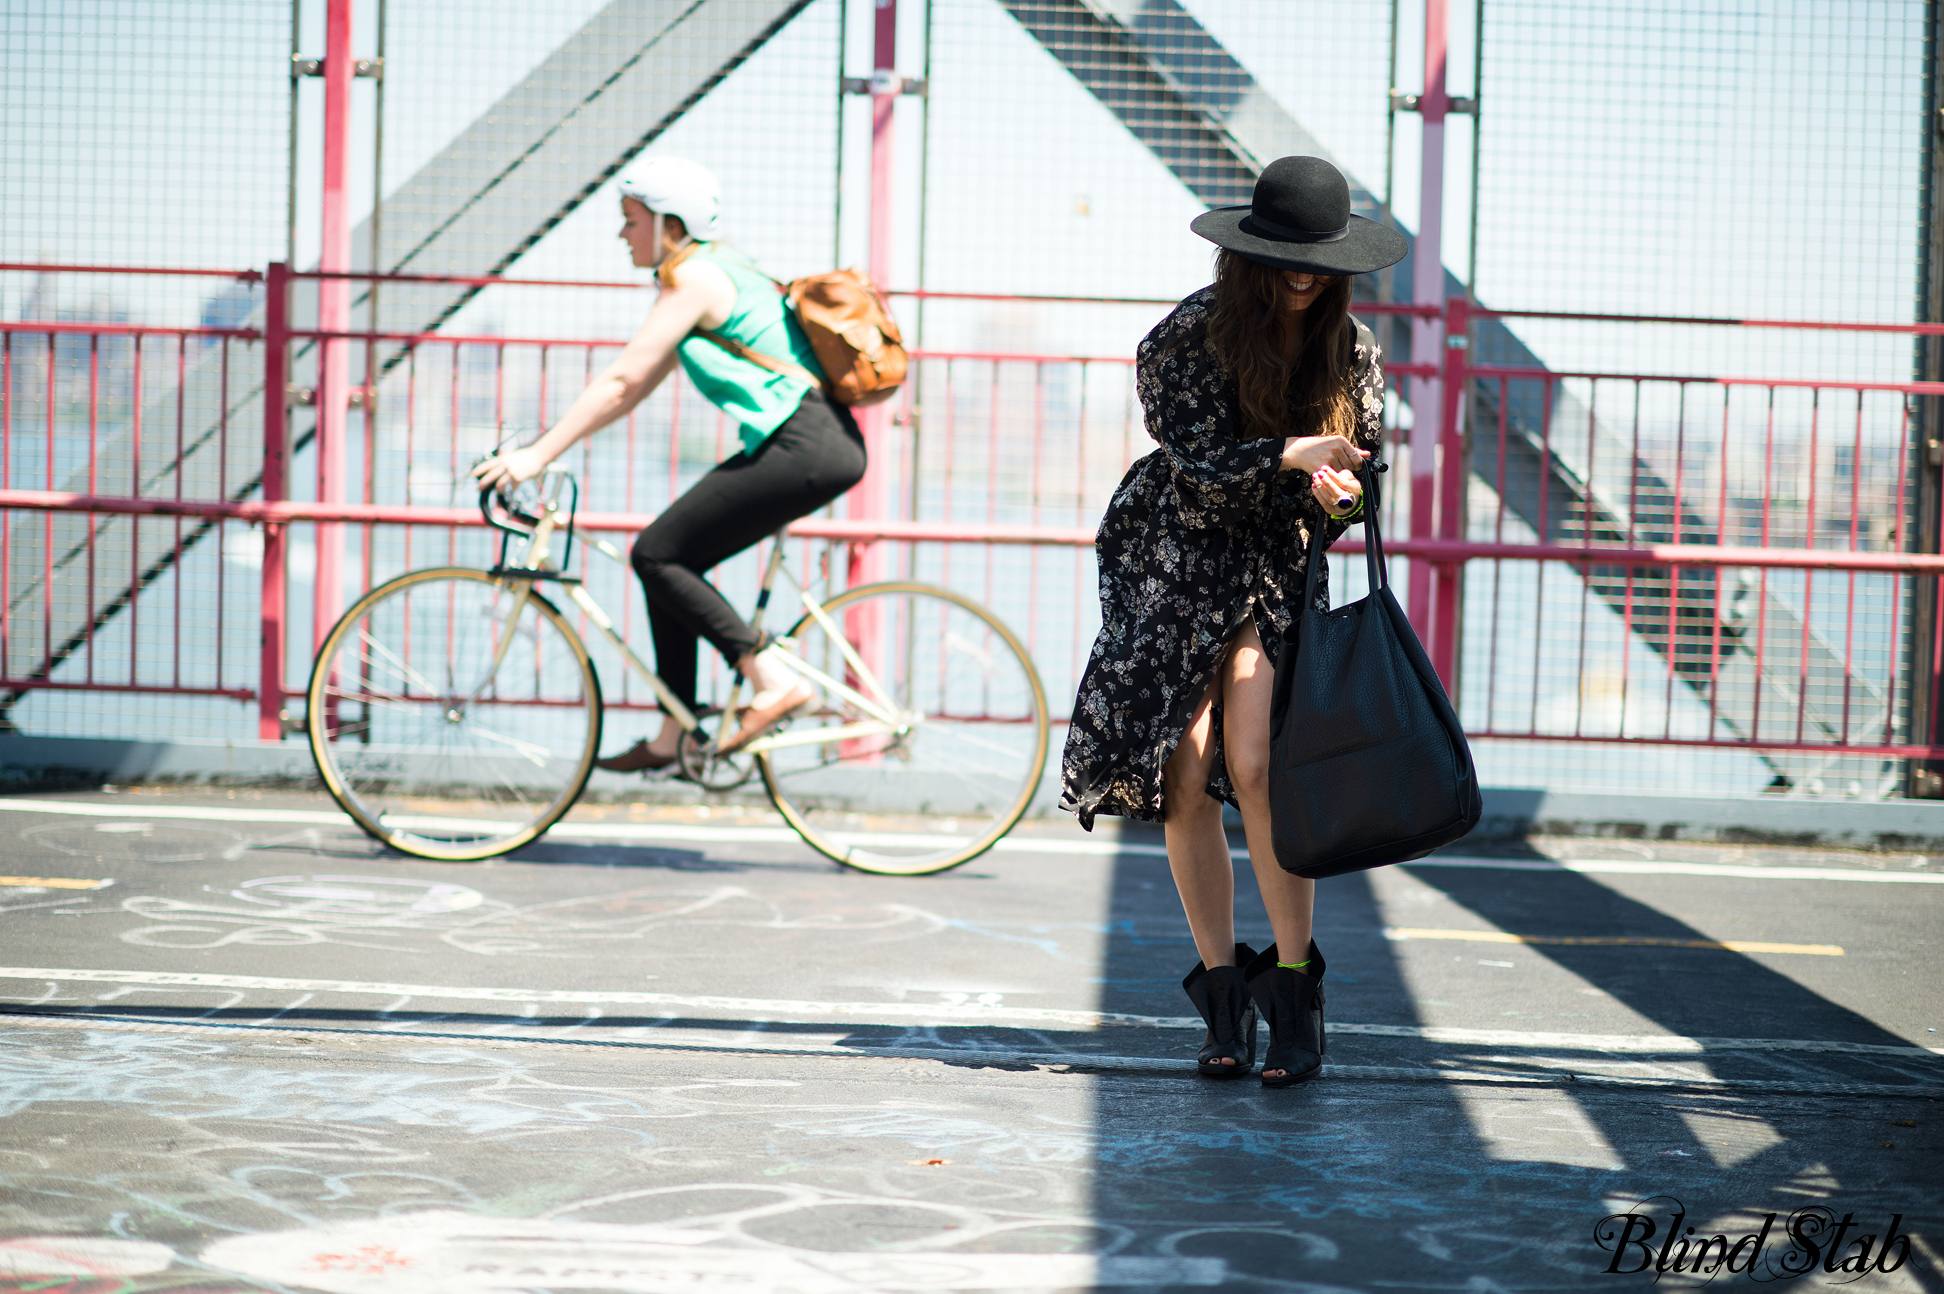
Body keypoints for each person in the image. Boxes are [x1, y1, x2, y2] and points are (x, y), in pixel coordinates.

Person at [1060, 156, 1407, 1087]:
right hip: (1175, 561)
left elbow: (1357, 490)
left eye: (1318, 262)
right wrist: (1295, 452)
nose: (1302, 275)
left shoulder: (1355, 353)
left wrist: (1339, 492)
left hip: (1270, 567)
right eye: (1284, 257)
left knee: (1256, 766)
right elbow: (1197, 463)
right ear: (1249, 253)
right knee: (1182, 772)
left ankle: (1294, 993)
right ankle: (1222, 996)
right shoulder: (1185, 336)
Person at [473, 157, 866, 768]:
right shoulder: (710, 273)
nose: (621, 235)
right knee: (668, 563)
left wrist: (535, 456)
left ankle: (775, 683)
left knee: (655, 553)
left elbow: (623, 378)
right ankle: (673, 735)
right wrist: (554, 445)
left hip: (804, 442)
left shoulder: (698, 278)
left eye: (630, 221)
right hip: (807, 441)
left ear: (667, 224)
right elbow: (633, 388)